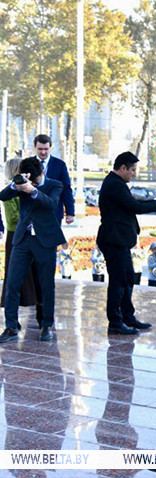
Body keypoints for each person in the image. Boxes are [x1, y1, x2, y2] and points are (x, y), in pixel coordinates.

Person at [97, 151, 156, 335]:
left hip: (119, 240)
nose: (134, 173)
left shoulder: (117, 183)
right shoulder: (115, 184)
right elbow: (135, 206)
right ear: (123, 168)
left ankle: (127, 317)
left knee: (127, 278)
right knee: (118, 282)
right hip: (114, 240)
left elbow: (132, 203)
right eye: (132, 170)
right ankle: (115, 322)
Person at [0, 156, 66, 343]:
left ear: (42, 173)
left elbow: (52, 204)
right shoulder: (21, 184)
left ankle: (46, 325)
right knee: (12, 283)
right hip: (23, 239)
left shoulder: (54, 184)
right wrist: (17, 184)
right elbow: (3, 196)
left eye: (36, 180)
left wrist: (34, 190)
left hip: (45, 241)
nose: (33, 183)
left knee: (46, 285)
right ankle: (11, 327)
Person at [0, 158, 42, 322]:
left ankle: (38, 313)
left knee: (35, 276)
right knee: (15, 278)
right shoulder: (10, 191)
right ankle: (12, 320)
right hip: (16, 236)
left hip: (29, 235)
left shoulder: (27, 187)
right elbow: (12, 218)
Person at [33, 134, 75, 224]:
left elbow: (66, 188)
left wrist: (70, 212)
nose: (43, 152)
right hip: (33, 213)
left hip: (54, 213)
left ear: (50, 148)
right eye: (40, 149)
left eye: (46, 149)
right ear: (35, 147)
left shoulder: (60, 165)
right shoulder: (28, 164)